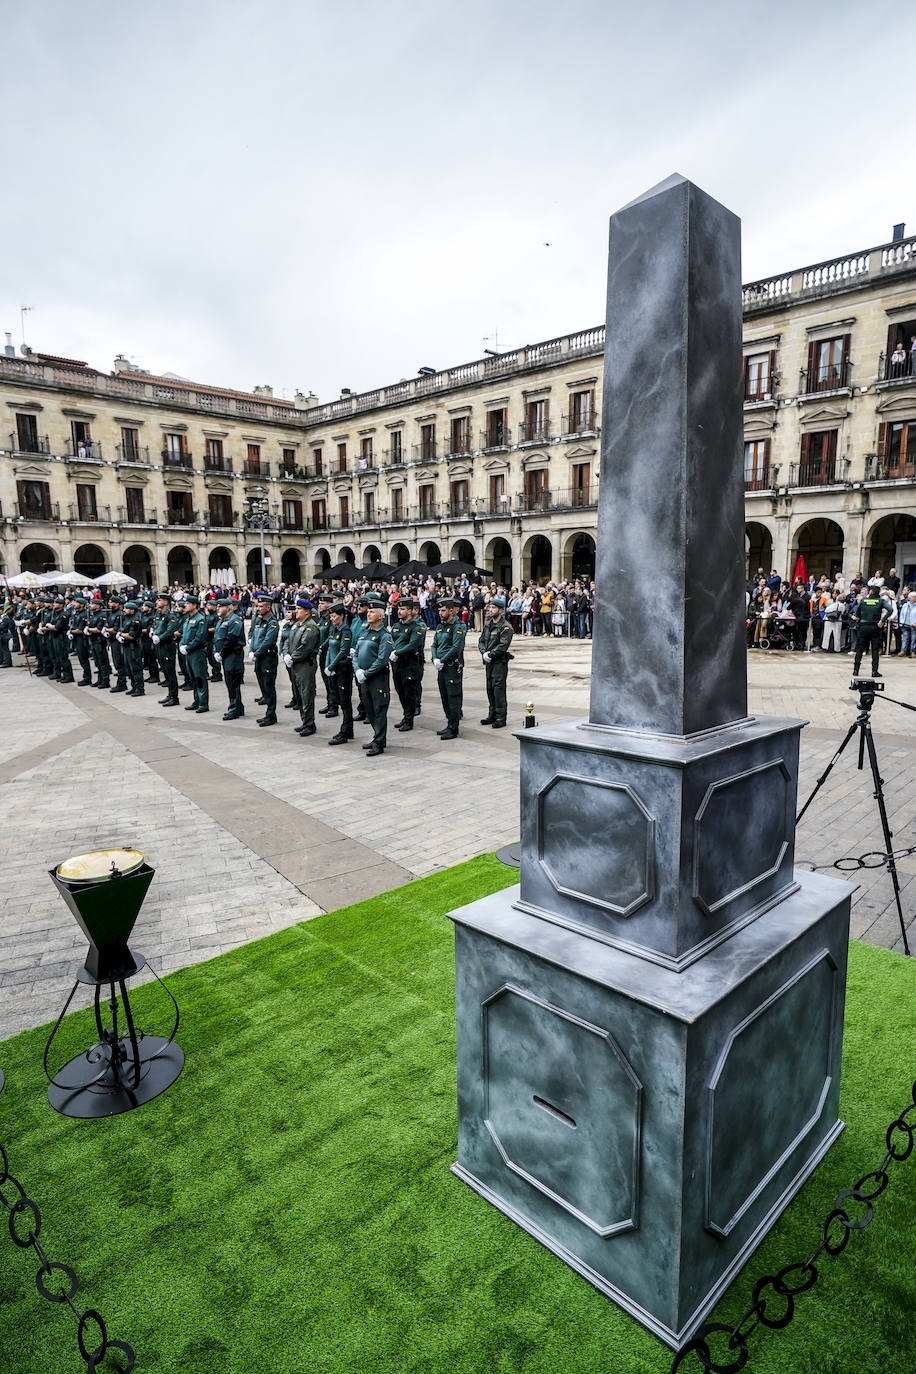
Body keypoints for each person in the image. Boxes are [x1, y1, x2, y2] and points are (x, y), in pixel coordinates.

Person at [353, 592, 393, 756]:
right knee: (369, 710)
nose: (368, 613)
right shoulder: (365, 632)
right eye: (368, 611)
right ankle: (377, 737)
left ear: (381, 616)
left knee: (379, 710)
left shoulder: (385, 635)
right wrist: (357, 670)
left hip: (377, 678)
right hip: (364, 677)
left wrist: (367, 673)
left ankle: (379, 742)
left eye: (372, 611)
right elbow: (355, 653)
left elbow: (382, 659)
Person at [284, 597, 320, 737]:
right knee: (299, 695)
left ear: (307, 612)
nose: (296, 611)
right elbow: (288, 640)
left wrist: (292, 657)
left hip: (305, 664)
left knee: (306, 695)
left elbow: (306, 647)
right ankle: (304, 721)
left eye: (299, 609)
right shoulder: (297, 625)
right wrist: (286, 654)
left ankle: (310, 724)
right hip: (295, 664)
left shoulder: (310, 626)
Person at [432, 597, 466, 739]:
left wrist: (443, 659)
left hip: (452, 667)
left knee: (453, 698)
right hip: (441, 667)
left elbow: (456, 647)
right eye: (439, 610)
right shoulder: (441, 626)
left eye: (443, 610)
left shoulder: (458, 626)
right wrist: (434, 658)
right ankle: (449, 723)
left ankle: (454, 727)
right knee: (445, 697)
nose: (440, 612)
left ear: (451, 611)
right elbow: (434, 644)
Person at [478, 595, 514, 728]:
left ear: (501, 610)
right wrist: (483, 653)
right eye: (490, 607)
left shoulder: (505, 627)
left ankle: (500, 717)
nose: (490, 610)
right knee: (489, 688)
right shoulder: (488, 624)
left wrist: (490, 654)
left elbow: (503, 645)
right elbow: (481, 641)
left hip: (499, 662)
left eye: (494, 608)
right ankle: (492, 714)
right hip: (489, 661)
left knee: (498, 689)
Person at [390, 596, 424, 731]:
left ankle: (409, 720)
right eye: (399, 608)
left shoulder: (416, 627)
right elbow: (391, 641)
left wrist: (397, 653)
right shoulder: (396, 626)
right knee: (400, 691)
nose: (399, 611)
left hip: (409, 664)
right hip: (397, 664)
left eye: (403, 609)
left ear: (410, 611)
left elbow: (413, 645)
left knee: (409, 692)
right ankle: (405, 715)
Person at [325, 602, 354, 744]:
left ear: (342, 616)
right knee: (339, 699)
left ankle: (346, 730)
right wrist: (327, 666)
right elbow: (330, 648)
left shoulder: (345, 631)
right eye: (330, 616)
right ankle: (347, 729)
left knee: (345, 701)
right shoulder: (334, 629)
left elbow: (343, 651)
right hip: (333, 669)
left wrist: (331, 666)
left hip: (342, 669)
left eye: (334, 616)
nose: (332, 618)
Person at [249, 592, 279, 726]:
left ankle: (271, 715)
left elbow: (268, 640)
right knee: (263, 685)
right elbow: (254, 637)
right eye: (257, 606)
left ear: (268, 607)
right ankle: (268, 713)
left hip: (267, 657)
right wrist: (251, 650)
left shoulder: (272, 622)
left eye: (261, 606)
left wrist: (257, 653)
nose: (258, 608)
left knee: (269, 686)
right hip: (259, 657)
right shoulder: (258, 620)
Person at [213, 597, 246, 720]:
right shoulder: (222, 620)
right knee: (230, 682)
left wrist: (221, 653)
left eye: (220, 606)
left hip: (232, 654)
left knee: (233, 683)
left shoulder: (235, 620)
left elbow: (231, 639)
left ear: (228, 608)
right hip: (226, 655)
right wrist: (216, 651)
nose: (218, 608)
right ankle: (238, 707)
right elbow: (218, 638)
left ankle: (234, 709)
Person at [851, 584, 890, 677]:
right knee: (875, 650)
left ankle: (856, 670)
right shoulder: (881, 601)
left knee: (859, 649)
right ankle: (874, 671)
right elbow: (890, 609)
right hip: (875, 627)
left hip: (863, 626)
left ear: (871, 591)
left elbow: (857, 615)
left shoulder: (864, 601)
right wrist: (882, 620)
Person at [179, 595, 210, 712]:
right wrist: (182, 644)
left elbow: (200, 637)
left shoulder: (200, 619)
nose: (185, 606)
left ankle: (203, 703)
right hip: (189, 652)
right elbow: (184, 635)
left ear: (194, 605)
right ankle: (196, 700)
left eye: (187, 604)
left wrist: (188, 646)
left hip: (197, 652)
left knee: (200, 677)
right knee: (193, 677)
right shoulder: (187, 619)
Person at [151, 591, 180, 706]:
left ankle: (174, 697)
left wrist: (160, 637)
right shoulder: (159, 614)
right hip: (159, 646)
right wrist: (152, 632)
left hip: (167, 646)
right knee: (165, 671)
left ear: (166, 602)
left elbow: (170, 630)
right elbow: (156, 626)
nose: (157, 602)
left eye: (159, 600)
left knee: (170, 672)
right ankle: (170, 694)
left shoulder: (170, 615)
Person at [317, 592, 339, 721]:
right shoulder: (322, 618)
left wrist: (322, 646)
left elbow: (331, 636)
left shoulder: (331, 619)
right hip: (322, 653)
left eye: (323, 603)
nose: (320, 605)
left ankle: (333, 706)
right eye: (319, 603)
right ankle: (329, 702)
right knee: (326, 680)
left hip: (329, 651)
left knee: (331, 680)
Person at [118, 600, 145, 696]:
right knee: (129, 668)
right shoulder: (126, 619)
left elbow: (131, 636)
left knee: (136, 668)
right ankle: (134, 687)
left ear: (132, 610)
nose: (124, 610)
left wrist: (121, 634)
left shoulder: (135, 620)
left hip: (133, 647)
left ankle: (140, 688)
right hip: (126, 646)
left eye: (126, 608)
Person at [898, 591, 916, 657]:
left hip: (913, 625)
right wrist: (901, 622)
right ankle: (903, 651)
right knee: (905, 638)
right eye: (913, 597)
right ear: (910, 598)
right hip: (905, 624)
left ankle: (913, 652)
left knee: (913, 639)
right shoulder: (905, 605)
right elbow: (902, 614)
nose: (915, 598)